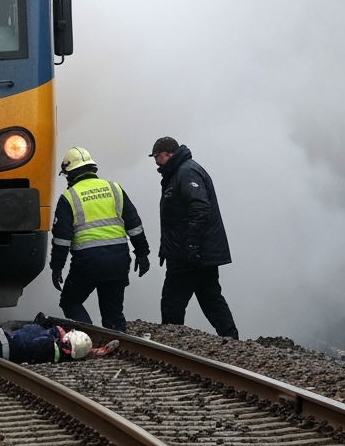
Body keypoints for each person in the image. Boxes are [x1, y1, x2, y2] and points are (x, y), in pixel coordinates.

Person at [49, 147, 150, 333]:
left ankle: (90, 338)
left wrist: (56, 267)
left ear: (69, 173)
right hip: (119, 259)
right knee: (113, 314)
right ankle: (120, 347)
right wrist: (142, 254)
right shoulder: (114, 189)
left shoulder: (69, 197)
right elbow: (135, 226)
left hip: (88, 262)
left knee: (70, 302)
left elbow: (62, 239)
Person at [150, 136, 237, 338]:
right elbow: (175, 217)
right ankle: (231, 339)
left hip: (188, 255)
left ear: (169, 154)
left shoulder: (186, 172)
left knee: (172, 300)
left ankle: (171, 343)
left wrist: (191, 245)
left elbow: (199, 208)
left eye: (158, 156)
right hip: (196, 252)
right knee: (210, 297)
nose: (156, 161)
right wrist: (166, 247)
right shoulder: (180, 172)